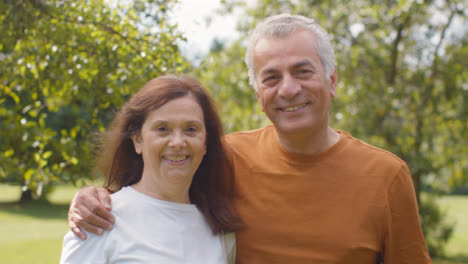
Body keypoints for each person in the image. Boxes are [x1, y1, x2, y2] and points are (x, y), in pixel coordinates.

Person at [67, 14, 432, 263]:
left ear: (332, 80)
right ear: (258, 93)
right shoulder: (224, 158)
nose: (288, 89)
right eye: (271, 77)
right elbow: (157, 194)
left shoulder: (386, 175)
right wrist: (91, 198)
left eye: (303, 71)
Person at [60, 75, 241, 263]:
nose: (178, 142)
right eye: (162, 128)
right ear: (137, 139)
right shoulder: (99, 221)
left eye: (191, 129)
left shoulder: (220, 228)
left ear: (205, 143)